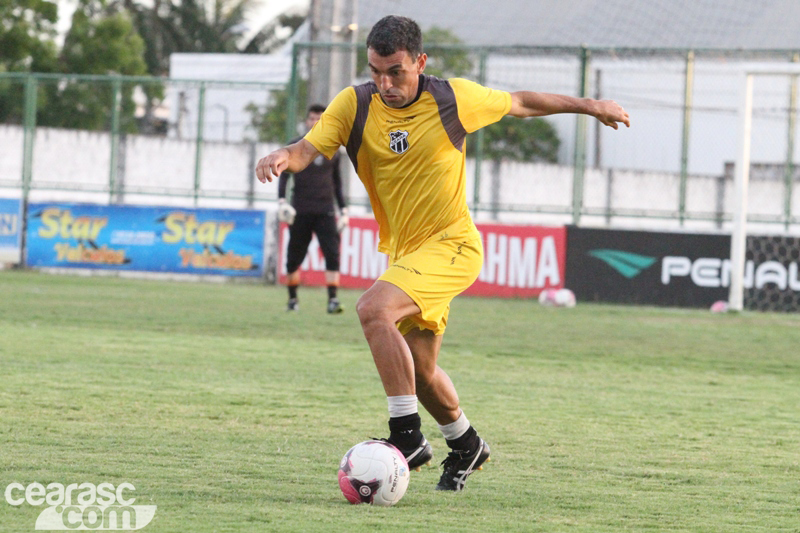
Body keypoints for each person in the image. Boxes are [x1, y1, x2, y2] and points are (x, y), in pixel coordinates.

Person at [256, 15, 630, 491]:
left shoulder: (452, 99)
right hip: (408, 255)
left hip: (453, 245)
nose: (385, 83)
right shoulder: (354, 104)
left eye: (396, 72)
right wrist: (284, 156)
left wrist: (591, 105)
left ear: (420, 62)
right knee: (423, 369)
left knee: (373, 309)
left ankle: (406, 438)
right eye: (375, 71)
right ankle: (466, 443)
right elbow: (310, 148)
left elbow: (519, 102)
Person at [277, 104, 349, 314]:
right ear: (306, 121)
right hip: (300, 209)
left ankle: (333, 300)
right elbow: (284, 175)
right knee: (294, 257)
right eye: (312, 119)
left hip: (325, 210)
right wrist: (282, 201)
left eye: (320, 119)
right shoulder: (295, 146)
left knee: (332, 254)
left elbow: (337, 183)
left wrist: (343, 210)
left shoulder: (333, 147)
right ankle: (292, 300)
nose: (315, 123)